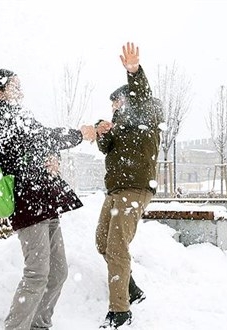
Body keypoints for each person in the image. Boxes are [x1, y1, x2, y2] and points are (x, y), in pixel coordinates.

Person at [0, 69, 96, 330]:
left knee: (58, 273)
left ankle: (39, 326)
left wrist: (51, 157)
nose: (21, 92)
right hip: (28, 203)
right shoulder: (0, 116)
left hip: (44, 201)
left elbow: (38, 141)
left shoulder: (17, 114)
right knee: (37, 275)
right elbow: (38, 138)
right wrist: (79, 135)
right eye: (15, 87)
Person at [94, 42, 162, 329]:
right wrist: (101, 130)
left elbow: (142, 96)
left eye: (117, 103)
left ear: (129, 100)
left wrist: (133, 71)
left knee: (117, 248)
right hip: (116, 191)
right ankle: (131, 288)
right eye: (112, 105)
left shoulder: (147, 114)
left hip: (134, 190)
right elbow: (105, 147)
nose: (114, 108)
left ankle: (120, 312)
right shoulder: (119, 126)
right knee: (102, 242)